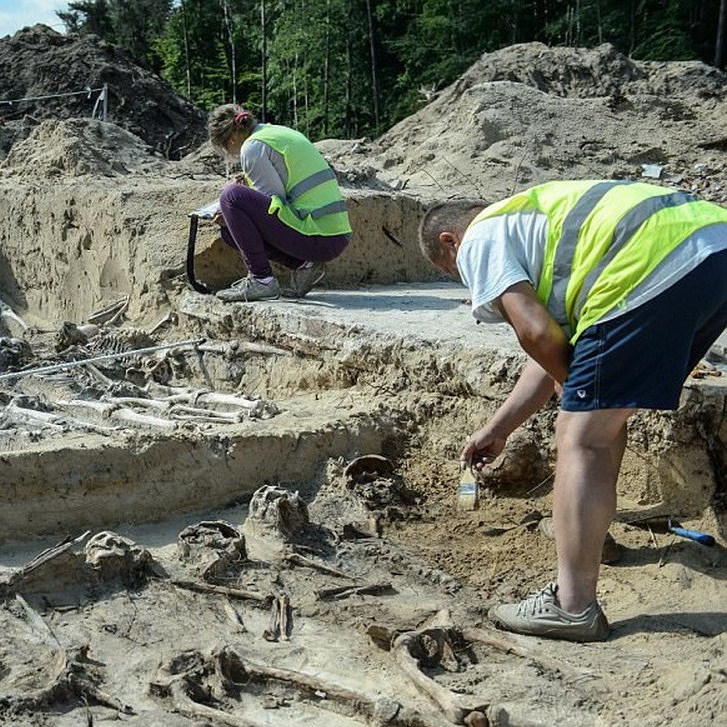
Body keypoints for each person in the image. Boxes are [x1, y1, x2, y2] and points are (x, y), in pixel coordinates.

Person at [419, 180, 727, 642]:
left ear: (450, 240)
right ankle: (589, 537)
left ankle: (572, 606)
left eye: (452, 270)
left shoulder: (480, 235)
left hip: (649, 266)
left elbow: (536, 334)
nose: (465, 279)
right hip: (712, 246)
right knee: (602, 419)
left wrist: (571, 386)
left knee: (581, 434)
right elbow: (551, 350)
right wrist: (499, 428)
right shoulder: (539, 227)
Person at [206, 104, 352, 302]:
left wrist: (233, 209)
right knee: (230, 232)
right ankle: (304, 264)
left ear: (231, 139)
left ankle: (262, 280)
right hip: (333, 234)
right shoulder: (273, 133)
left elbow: (275, 203)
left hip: (319, 236)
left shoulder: (251, 147)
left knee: (231, 197)